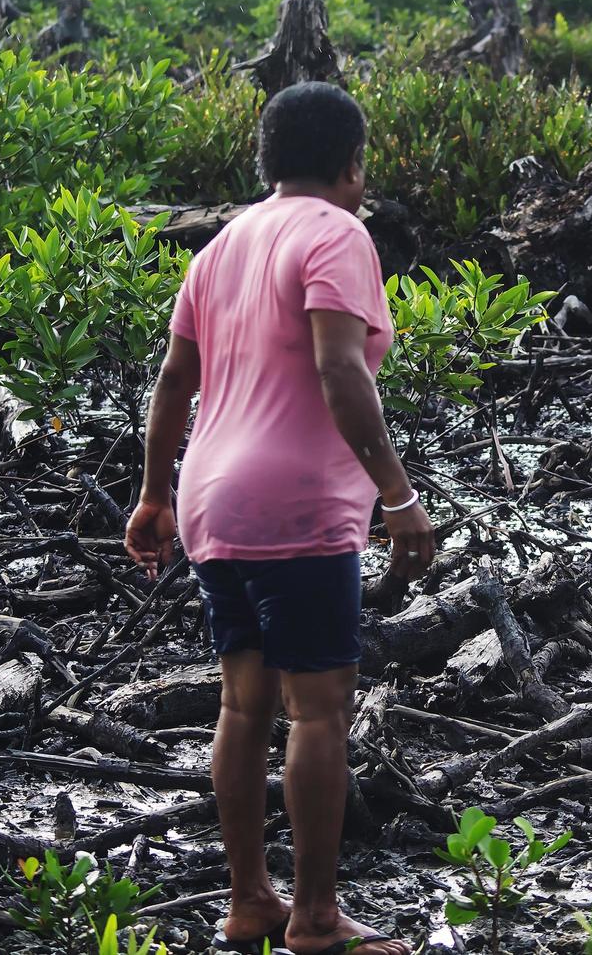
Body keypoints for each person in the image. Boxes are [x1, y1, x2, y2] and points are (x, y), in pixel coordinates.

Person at [125, 81, 435, 955]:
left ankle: (249, 902)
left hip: (210, 497)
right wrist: (401, 499)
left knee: (243, 702)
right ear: (351, 167)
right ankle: (316, 919)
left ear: (265, 162)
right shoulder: (339, 233)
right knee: (321, 709)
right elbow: (343, 372)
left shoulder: (218, 247)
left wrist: (154, 495)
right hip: (295, 503)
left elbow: (173, 385)